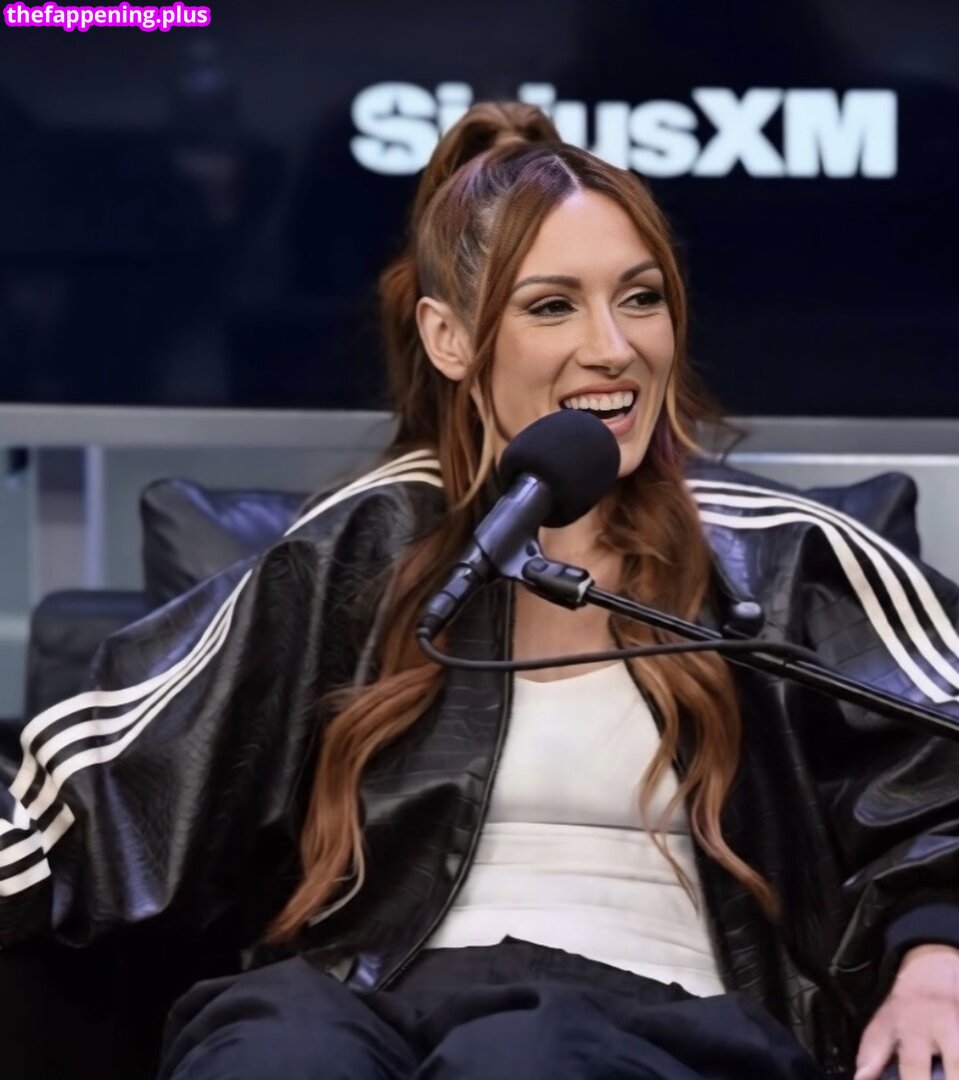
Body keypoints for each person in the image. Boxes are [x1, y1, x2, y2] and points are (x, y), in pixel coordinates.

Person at [2, 102, 958, 1080]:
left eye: (639, 298)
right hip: (363, 993)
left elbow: (938, 777)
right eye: (551, 307)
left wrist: (936, 960)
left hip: (649, 1020)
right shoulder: (358, 548)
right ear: (449, 337)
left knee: (518, 1054)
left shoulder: (783, 554)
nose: (613, 347)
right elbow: (103, 787)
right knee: (274, 1050)